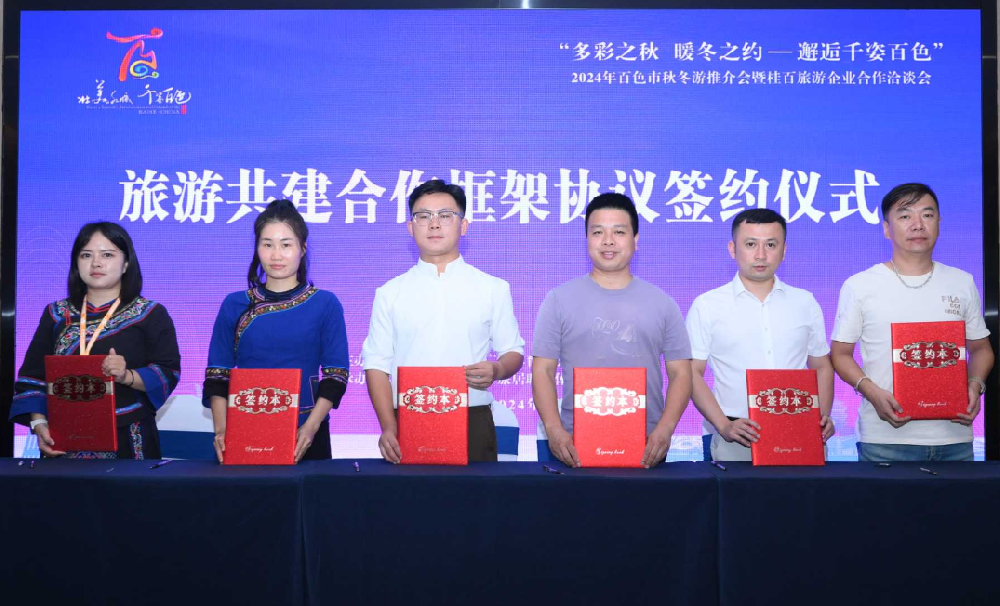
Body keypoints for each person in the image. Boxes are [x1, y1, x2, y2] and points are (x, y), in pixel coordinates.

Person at [362, 179, 525, 463]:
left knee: (477, 493)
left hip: (472, 418)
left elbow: (513, 351)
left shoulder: (493, 288)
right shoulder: (389, 293)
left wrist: (498, 369)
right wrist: (388, 426)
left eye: (445, 215)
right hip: (408, 417)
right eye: (423, 216)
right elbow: (376, 365)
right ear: (411, 227)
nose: (434, 224)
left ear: (463, 225)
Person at [830, 183, 994, 462]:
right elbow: (840, 354)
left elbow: (981, 349)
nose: (918, 225)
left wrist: (975, 384)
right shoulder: (860, 286)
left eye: (927, 215)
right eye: (905, 216)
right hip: (884, 440)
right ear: (886, 229)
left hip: (954, 437)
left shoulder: (962, 282)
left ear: (939, 223)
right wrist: (871, 392)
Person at [532, 193, 692, 469]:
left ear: (635, 239)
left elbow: (681, 373)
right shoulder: (558, 299)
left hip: (647, 445)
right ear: (586, 239)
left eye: (619, 232)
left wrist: (665, 429)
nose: (608, 241)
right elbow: (542, 370)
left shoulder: (663, 302)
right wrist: (554, 429)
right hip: (574, 444)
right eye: (598, 232)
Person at [10, 222, 181, 459]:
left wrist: (127, 376)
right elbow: (33, 378)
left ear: (126, 264)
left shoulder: (150, 313)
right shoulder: (56, 313)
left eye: (107, 255)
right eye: (86, 255)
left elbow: (168, 372)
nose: (96, 263)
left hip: (129, 436)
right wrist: (39, 425)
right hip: (63, 439)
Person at [204, 200, 349, 463]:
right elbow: (218, 375)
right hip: (245, 429)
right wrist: (222, 430)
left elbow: (335, 375)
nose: (276, 255)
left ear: (302, 248)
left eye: (286, 245)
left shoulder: (325, 303)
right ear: (257, 248)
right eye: (267, 244)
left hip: (306, 433)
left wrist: (311, 427)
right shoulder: (234, 304)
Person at [686, 208, 834, 462]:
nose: (761, 255)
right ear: (732, 249)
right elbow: (691, 372)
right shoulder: (707, 305)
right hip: (735, 433)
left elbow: (821, 365)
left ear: (784, 250)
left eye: (771, 245)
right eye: (751, 244)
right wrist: (723, 424)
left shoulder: (805, 302)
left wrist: (820, 416)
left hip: (799, 431)